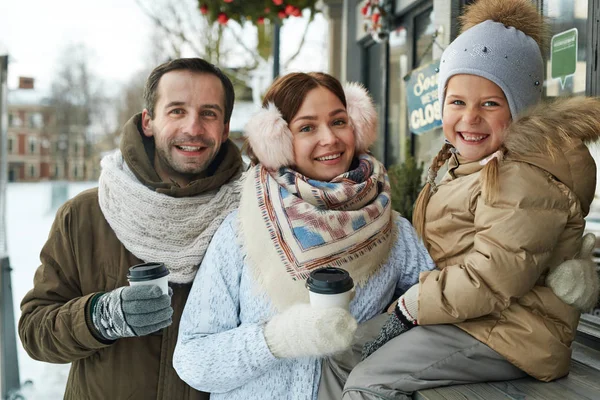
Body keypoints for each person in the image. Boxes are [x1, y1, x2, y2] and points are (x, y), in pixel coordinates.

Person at [342, 1, 600, 399]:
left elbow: (494, 275)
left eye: (491, 104)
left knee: (369, 379)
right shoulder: (464, 161)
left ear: (520, 112)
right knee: (342, 352)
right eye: (457, 102)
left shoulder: (524, 176)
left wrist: (415, 303)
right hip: (466, 316)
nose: (470, 118)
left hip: (514, 334)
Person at [171, 72, 437, 400]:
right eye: (307, 127)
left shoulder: (394, 232)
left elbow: (435, 322)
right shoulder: (241, 232)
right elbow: (193, 359)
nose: (329, 139)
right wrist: (277, 340)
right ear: (278, 140)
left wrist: (386, 330)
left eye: (339, 121)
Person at [18, 57, 244, 400]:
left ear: (225, 128)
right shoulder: (86, 215)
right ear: (149, 121)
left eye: (209, 113)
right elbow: (35, 331)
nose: (193, 128)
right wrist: (101, 317)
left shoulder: (250, 218)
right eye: (177, 111)